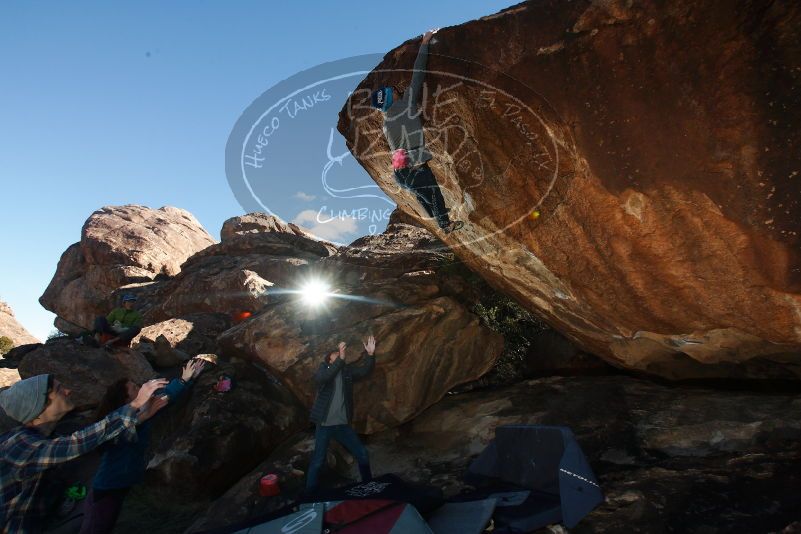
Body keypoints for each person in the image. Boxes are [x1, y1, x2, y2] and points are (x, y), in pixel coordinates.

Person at [0, 374, 168, 533]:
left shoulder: (39, 439)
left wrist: (139, 418)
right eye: (59, 389)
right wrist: (135, 404)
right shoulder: (20, 446)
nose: (68, 391)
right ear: (39, 405)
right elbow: (78, 443)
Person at [79, 359, 206, 534]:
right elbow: (115, 433)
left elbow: (165, 398)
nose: (140, 388)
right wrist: (142, 416)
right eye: (135, 388)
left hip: (120, 487)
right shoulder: (117, 424)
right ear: (127, 399)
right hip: (106, 491)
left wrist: (186, 379)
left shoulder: (142, 413)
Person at [371, 29, 464, 234]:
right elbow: (418, 74)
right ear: (390, 98)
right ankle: (445, 224)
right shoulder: (405, 105)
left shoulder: (387, 120)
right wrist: (425, 43)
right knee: (433, 192)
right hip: (413, 164)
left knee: (421, 193)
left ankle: (435, 213)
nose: (397, 90)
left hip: (399, 170)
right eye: (394, 91)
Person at [305, 335, 377, 493]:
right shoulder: (323, 371)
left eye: (339, 354)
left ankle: (369, 486)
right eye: (335, 355)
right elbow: (323, 378)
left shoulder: (346, 372)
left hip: (342, 425)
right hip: (324, 425)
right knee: (318, 461)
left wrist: (370, 355)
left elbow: (364, 371)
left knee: (362, 454)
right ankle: (308, 495)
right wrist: (341, 358)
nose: (339, 356)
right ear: (329, 361)